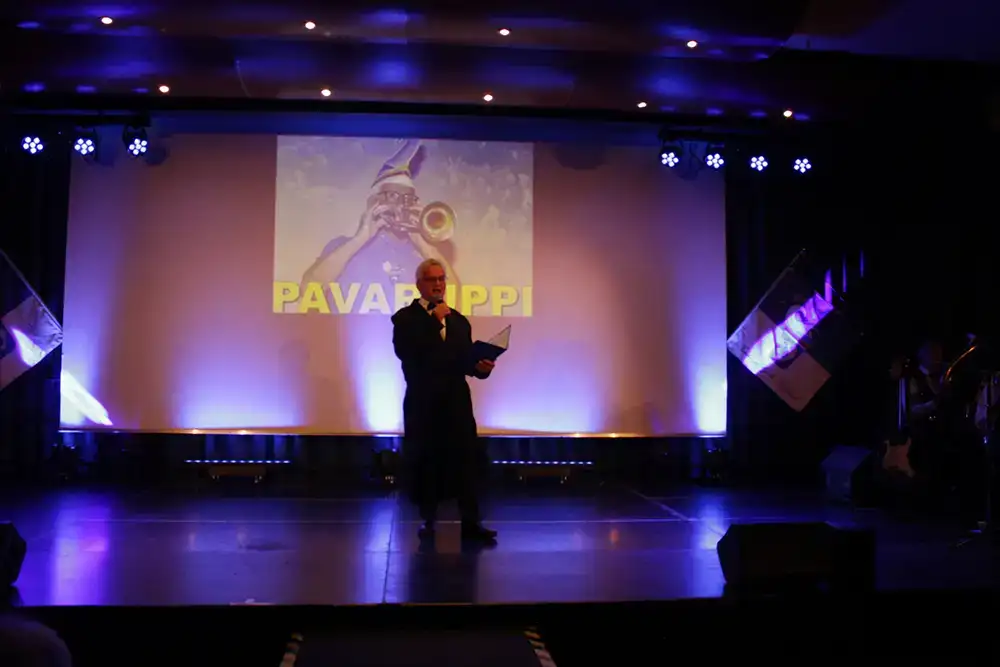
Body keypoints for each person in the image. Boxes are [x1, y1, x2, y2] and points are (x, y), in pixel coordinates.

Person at [391, 258, 497, 542]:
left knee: (466, 461)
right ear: (419, 285)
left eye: (441, 279)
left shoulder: (459, 321)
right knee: (427, 462)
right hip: (423, 403)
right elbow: (406, 352)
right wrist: (433, 321)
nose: (438, 284)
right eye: (431, 279)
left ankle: (471, 523)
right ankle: (428, 521)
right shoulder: (405, 319)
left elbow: (464, 362)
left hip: (456, 403)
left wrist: (481, 368)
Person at [300, 139, 459, 307]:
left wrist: (423, 245)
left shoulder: (425, 257)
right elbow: (308, 290)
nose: (401, 205)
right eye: (393, 196)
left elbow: (454, 301)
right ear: (374, 202)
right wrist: (359, 240)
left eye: (408, 198)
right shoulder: (342, 247)